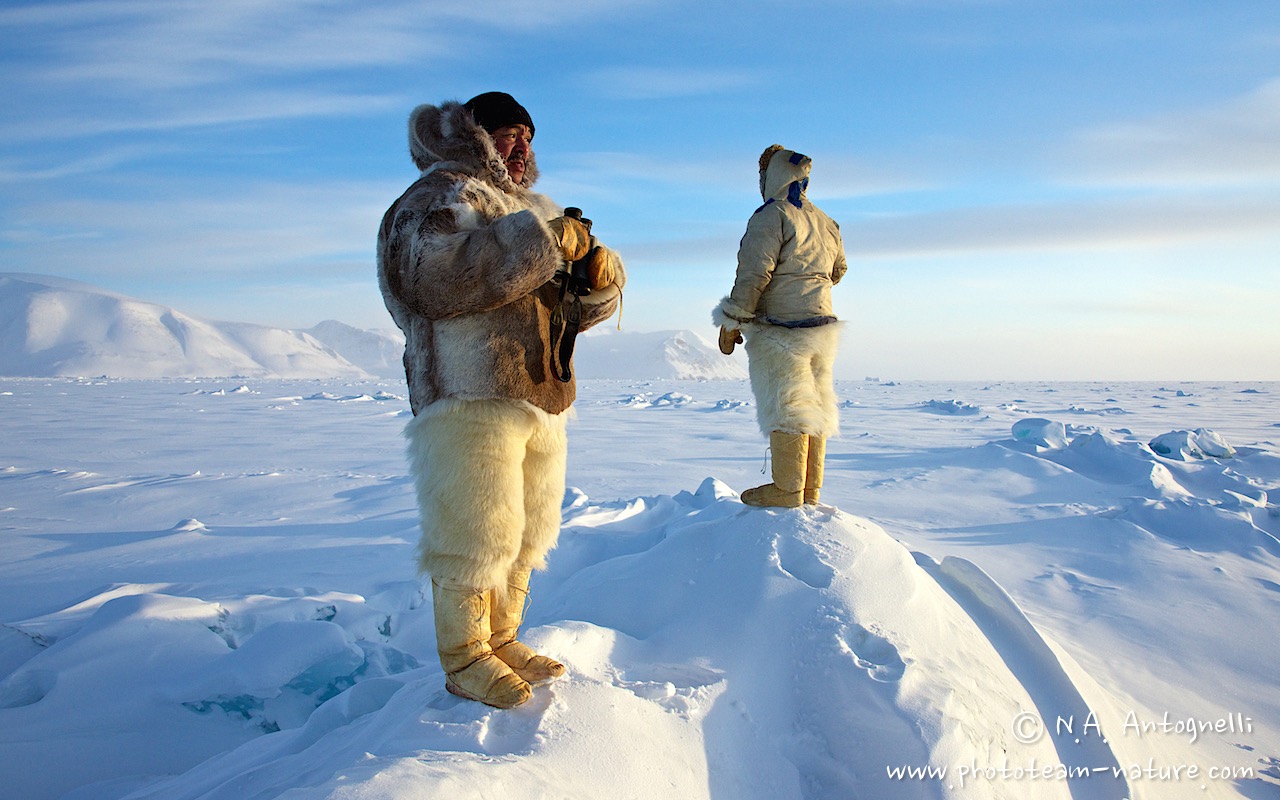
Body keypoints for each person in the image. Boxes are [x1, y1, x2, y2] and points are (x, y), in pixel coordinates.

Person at [377, 92, 625, 708]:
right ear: (474, 136)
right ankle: (464, 657)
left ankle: (502, 639)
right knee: (474, 532)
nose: (522, 147)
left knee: (527, 532)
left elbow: (561, 309)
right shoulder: (441, 195)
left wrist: (595, 278)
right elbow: (432, 278)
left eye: (529, 136)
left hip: (539, 393)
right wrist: (541, 241)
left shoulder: (530, 209)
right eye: (508, 133)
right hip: (469, 391)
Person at [712, 144, 847, 508]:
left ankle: (787, 489)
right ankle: (809, 489)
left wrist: (732, 321)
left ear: (768, 175)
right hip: (822, 326)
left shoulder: (771, 216)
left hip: (781, 329)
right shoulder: (825, 221)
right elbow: (838, 270)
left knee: (786, 404)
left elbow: (754, 273)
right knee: (815, 404)